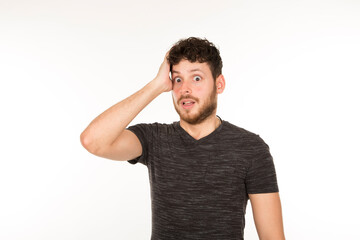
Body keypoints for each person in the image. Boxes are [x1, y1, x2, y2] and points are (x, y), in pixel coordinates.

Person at [80, 37, 285, 240]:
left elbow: (272, 237)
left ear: (219, 84)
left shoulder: (251, 148)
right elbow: (93, 141)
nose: (184, 89)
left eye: (196, 78)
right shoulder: (154, 139)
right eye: (178, 79)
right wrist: (156, 85)